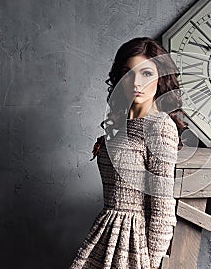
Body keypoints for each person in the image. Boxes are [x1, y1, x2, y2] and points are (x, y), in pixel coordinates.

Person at [69, 37, 187, 269]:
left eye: (146, 74)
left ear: (161, 77)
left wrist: (149, 263)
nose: (136, 83)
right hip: (106, 231)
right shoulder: (121, 122)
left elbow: (162, 208)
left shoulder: (159, 126)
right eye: (128, 72)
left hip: (133, 243)